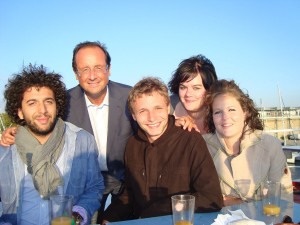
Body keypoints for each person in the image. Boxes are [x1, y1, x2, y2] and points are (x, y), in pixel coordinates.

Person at [0, 41, 136, 224]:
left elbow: (155, 120)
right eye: (85, 69)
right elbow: (39, 122)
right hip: (84, 177)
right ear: (76, 74)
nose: (92, 75)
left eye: (98, 67)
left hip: (123, 181)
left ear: (108, 69)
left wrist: (182, 120)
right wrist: (15, 131)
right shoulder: (65, 100)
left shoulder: (131, 96)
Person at [102, 77, 223, 223]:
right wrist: (108, 217)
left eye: (158, 108)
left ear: (167, 108)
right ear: (133, 115)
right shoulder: (132, 145)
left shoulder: (190, 140)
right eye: (142, 111)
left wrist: (156, 210)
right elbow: (129, 194)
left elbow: (211, 198)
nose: (151, 117)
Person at [0, 65, 104, 225]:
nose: (42, 110)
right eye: (32, 103)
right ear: (20, 111)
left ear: (57, 106)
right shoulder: (6, 150)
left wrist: (78, 215)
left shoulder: (82, 140)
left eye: (48, 101)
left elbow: (95, 186)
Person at [202, 79, 293, 206]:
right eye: (218, 112)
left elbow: (283, 199)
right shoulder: (202, 146)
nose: (225, 117)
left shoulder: (271, 145)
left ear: (245, 112)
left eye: (231, 110)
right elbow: (199, 198)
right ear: (211, 117)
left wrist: (231, 201)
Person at [168, 54, 218, 133]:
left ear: (209, 89)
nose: (188, 94)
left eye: (196, 88)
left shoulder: (220, 112)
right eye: (183, 87)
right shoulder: (167, 106)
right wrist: (170, 125)